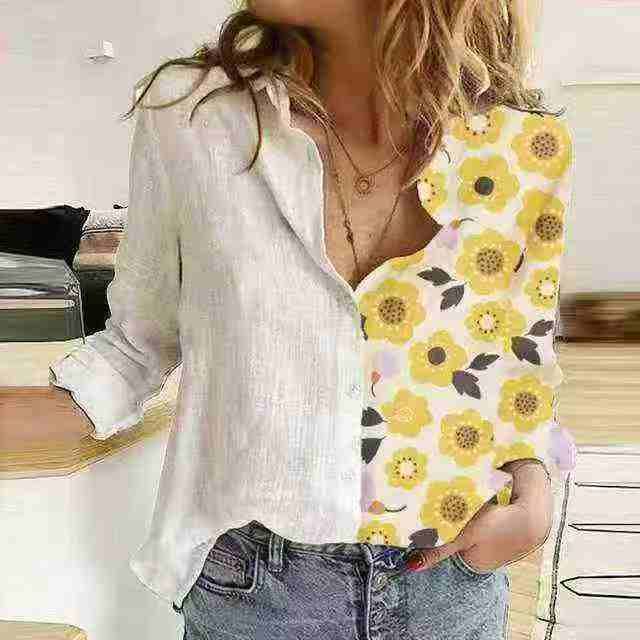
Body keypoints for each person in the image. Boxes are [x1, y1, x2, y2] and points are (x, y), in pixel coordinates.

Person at [40, 1, 575, 638]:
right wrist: (34, 415)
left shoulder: (526, 148)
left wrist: (535, 491)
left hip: (451, 583)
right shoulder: (192, 116)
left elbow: (522, 365)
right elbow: (138, 343)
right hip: (257, 592)